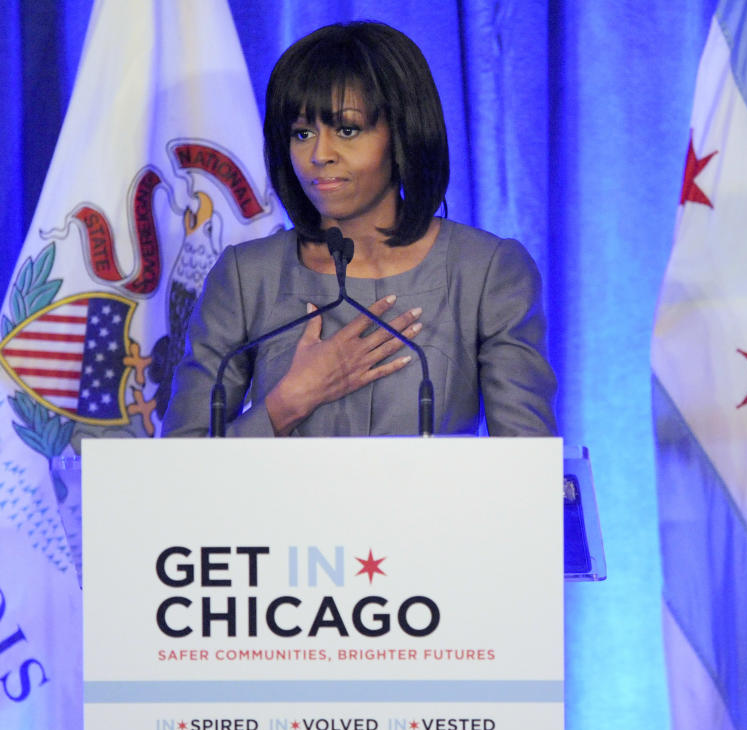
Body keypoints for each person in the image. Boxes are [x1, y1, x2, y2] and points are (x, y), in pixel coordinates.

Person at [161, 21, 557, 438]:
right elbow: (181, 464)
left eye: (347, 130)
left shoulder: (485, 271)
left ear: (404, 134)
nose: (320, 154)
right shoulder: (245, 276)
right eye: (302, 133)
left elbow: (527, 468)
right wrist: (288, 402)